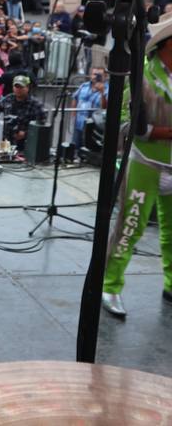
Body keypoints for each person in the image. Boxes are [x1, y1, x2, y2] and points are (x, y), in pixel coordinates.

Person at [101, 16, 172, 317]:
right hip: (145, 162)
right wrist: (159, 132)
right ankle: (110, 285)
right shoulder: (141, 76)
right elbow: (121, 122)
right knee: (131, 226)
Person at [0, 75, 46, 152]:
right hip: (6, 141)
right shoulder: (8, 98)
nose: (18, 89)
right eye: (16, 86)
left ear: (27, 87)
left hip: (26, 144)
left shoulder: (36, 104)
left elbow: (41, 124)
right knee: (3, 161)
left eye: (21, 87)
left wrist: (26, 133)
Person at [65, 68, 107, 163]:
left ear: (105, 77)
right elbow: (75, 98)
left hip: (93, 126)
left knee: (88, 150)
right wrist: (74, 114)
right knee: (75, 146)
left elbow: (105, 107)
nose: (95, 77)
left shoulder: (107, 89)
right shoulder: (84, 86)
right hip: (79, 122)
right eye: (94, 74)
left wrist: (102, 92)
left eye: (99, 75)